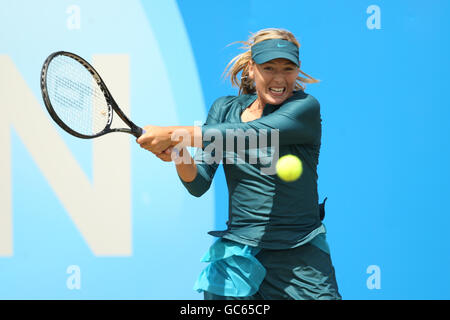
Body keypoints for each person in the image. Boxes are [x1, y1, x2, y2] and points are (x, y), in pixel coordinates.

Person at [137, 28, 341, 300]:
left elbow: (252, 134)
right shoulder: (224, 109)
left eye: (288, 68)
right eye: (269, 68)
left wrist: (173, 133)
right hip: (237, 259)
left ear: (298, 69)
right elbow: (198, 182)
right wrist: (179, 151)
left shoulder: (304, 108)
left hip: (299, 259)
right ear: (251, 69)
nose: (279, 78)